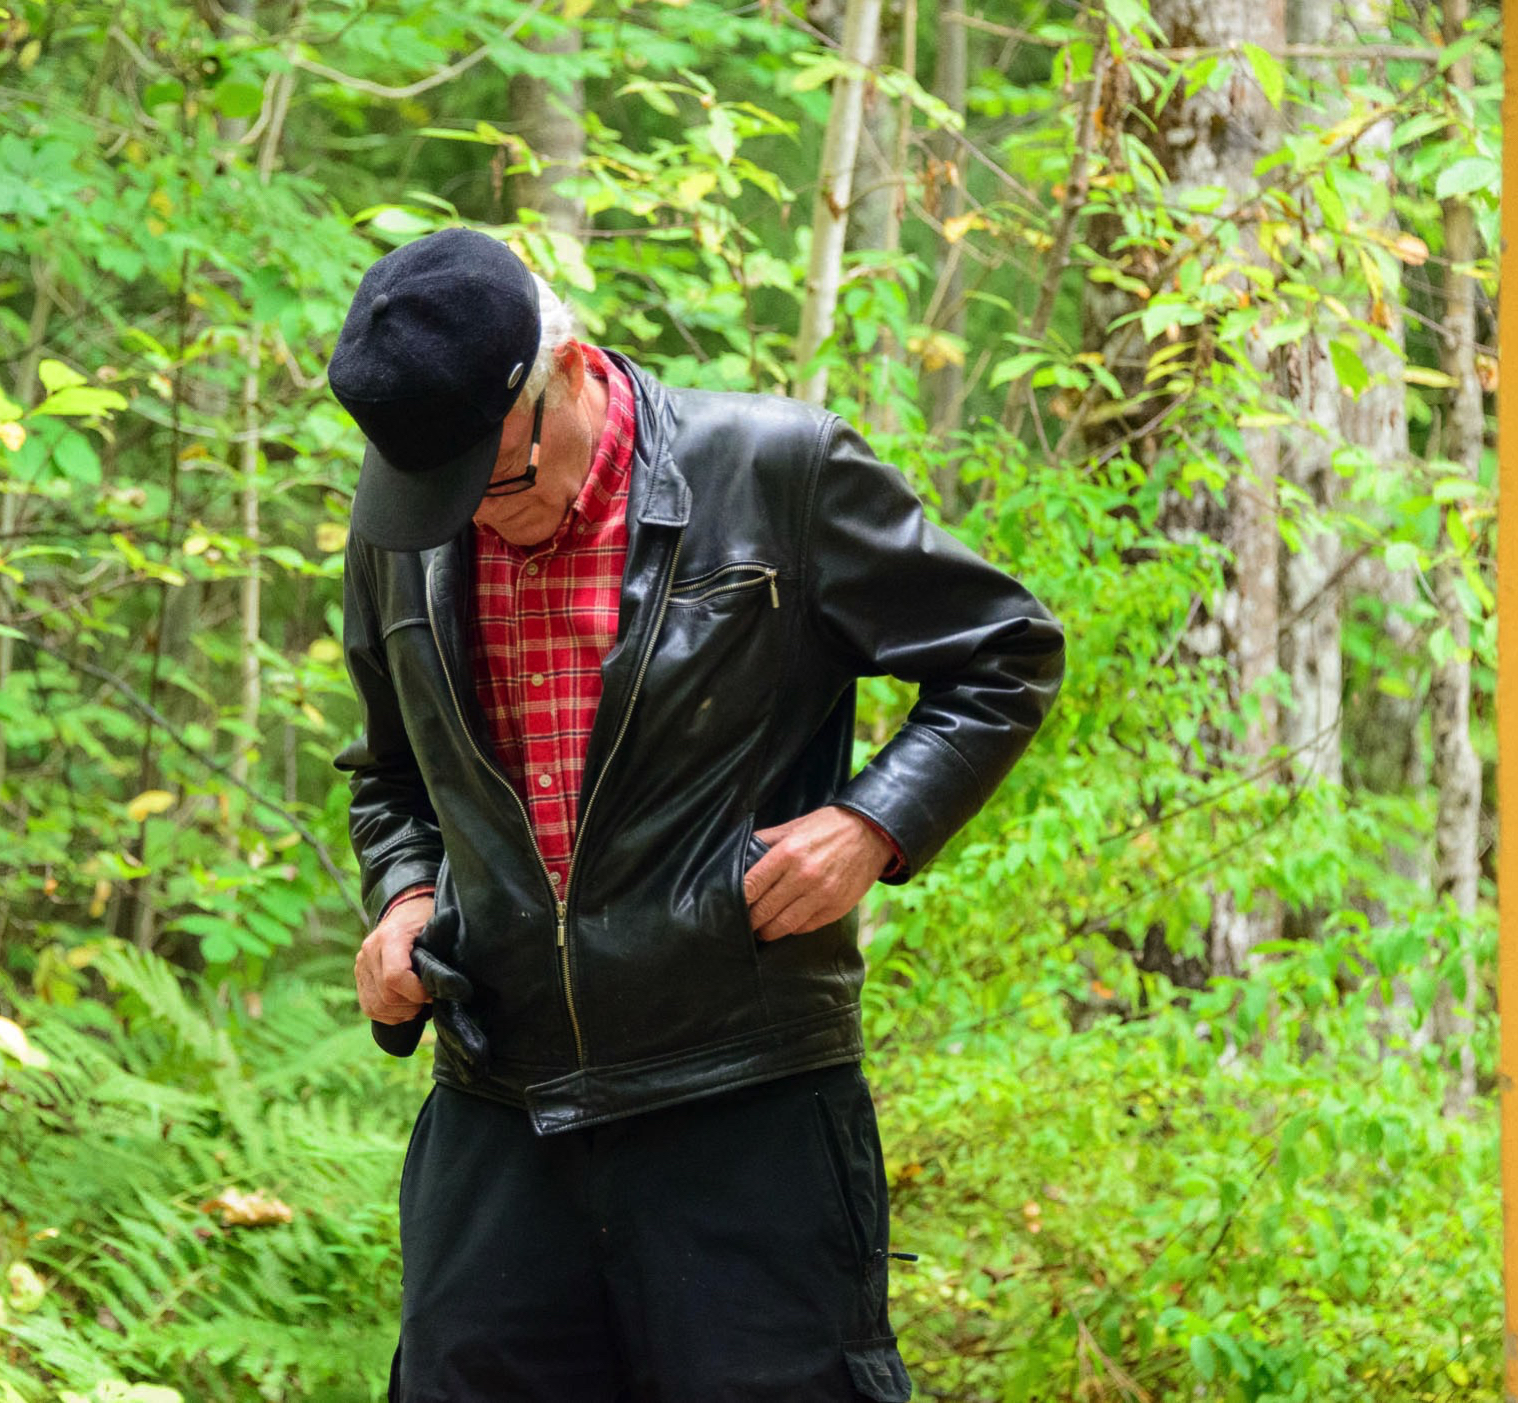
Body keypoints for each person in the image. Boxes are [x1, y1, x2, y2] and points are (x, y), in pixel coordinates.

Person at [326, 225, 1065, 1403]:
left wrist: (873, 823)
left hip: (744, 1096)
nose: (474, 519)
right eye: (437, 496)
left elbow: (1004, 652)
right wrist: (405, 896)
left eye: (495, 481)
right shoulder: (407, 533)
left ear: (568, 371)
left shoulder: (777, 472)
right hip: (500, 1108)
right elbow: (389, 772)